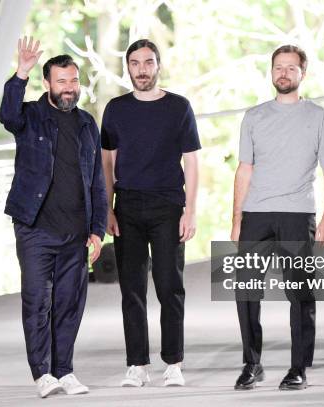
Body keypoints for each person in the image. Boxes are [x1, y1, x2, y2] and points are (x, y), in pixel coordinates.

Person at [0, 36, 107, 398]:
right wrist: (21, 73)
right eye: (61, 81)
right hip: (35, 228)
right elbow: (7, 116)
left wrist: (97, 230)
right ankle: (42, 373)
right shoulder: (29, 116)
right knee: (37, 300)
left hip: (76, 232)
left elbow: (97, 182)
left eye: (73, 80)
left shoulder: (88, 124)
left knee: (69, 304)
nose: (69, 88)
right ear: (48, 84)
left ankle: (65, 370)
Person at [230, 44, 324, 391]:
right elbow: (244, 169)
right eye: (278, 67)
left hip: (298, 214)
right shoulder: (254, 116)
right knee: (246, 291)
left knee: (300, 293)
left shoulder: (319, 116)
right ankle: (252, 363)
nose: (283, 73)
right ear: (271, 72)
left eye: (290, 68)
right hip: (256, 214)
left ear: (302, 74)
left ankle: (298, 368)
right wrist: (236, 220)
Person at [100, 39, 201, 388]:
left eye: (148, 62)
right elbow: (107, 163)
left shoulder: (179, 107)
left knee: (170, 284)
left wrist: (190, 211)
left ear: (159, 65)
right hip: (126, 206)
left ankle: (173, 362)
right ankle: (137, 365)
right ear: (127, 67)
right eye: (135, 63)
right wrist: (106, 210)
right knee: (131, 288)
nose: (142, 69)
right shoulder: (115, 109)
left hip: (168, 205)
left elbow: (192, 161)